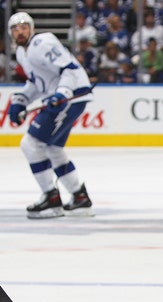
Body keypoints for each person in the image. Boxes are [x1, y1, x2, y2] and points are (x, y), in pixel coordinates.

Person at [7, 12, 94, 219]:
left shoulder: (42, 42)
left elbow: (69, 68)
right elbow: (38, 83)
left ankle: (51, 198)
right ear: (11, 34)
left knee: (30, 144)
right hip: (68, 98)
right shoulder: (22, 53)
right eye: (15, 28)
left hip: (70, 97)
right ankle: (79, 197)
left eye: (24, 26)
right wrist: (21, 100)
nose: (20, 31)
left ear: (32, 28)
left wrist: (62, 92)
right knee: (53, 149)